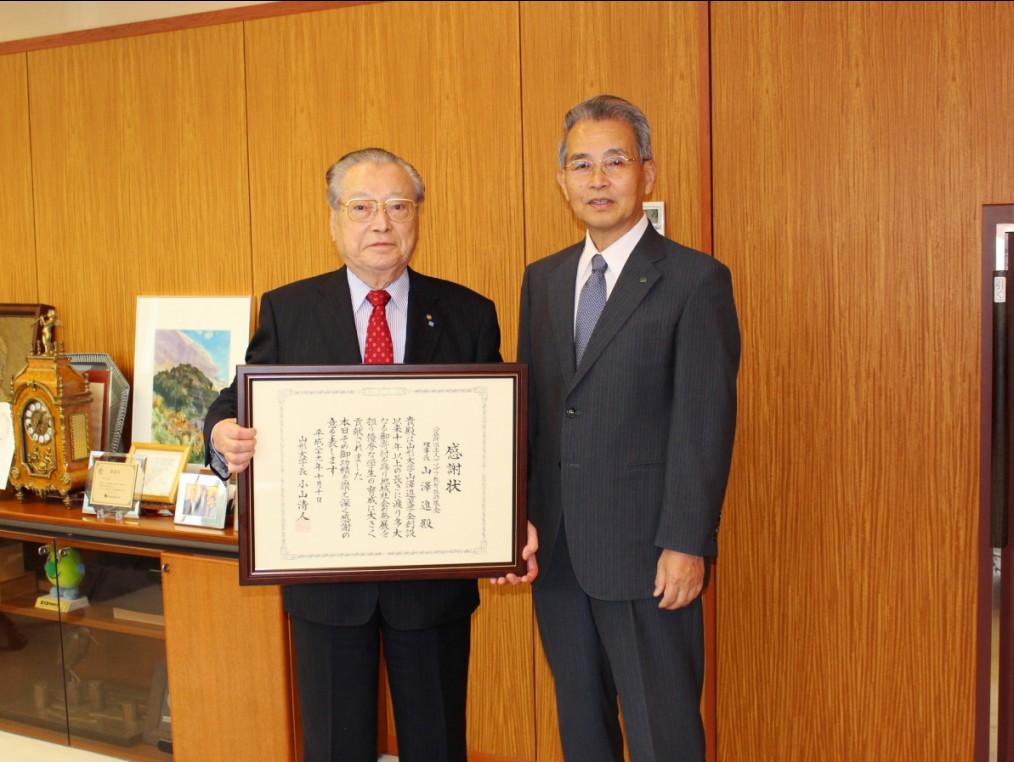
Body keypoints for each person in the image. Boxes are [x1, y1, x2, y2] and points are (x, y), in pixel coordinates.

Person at [203, 147, 503, 762]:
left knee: (437, 743)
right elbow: (235, 398)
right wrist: (220, 434)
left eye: (398, 206)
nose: (381, 223)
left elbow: (496, 437)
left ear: (418, 216)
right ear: (334, 220)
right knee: (336, 746)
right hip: (326, 583)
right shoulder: (288, 309)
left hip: (431, 584)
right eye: (362, 207)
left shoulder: (469, 314)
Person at [516, 95, 740, 760]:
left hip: (650, 556)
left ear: (647, 173)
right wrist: (517, 521)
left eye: (615, 161)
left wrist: (686, 542)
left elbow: (705, 422)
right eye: (581, 165)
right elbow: (538, 413)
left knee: (662, 733)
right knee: (582, 730)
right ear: (562, 182)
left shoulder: (695, 280)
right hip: (557, 556)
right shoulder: (544, 280)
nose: (598, 178)